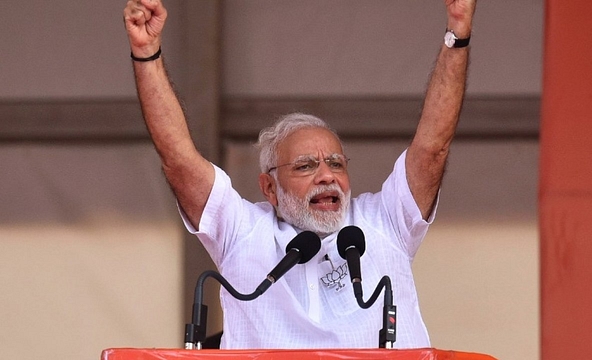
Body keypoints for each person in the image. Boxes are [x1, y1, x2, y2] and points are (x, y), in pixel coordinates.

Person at [124, 0, 477, 350]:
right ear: (269, 188)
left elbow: (432, 149)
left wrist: (457, 35)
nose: (327, 176)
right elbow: (178, 161)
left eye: (336, 164)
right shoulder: (242, 232)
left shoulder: (385, 222)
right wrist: (146, 52)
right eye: (306, 166)